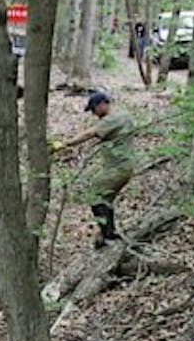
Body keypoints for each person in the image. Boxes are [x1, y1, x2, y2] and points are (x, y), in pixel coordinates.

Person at [57, 90, 138, 247]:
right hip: (122, 167)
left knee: (95, 195)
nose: (94, 113)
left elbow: (90, 134)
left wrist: (65, 144)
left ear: (103, 104)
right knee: (105, 198)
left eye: (94, 109)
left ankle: (108, 234)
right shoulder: (124, 116)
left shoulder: (112, 119)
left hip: (118, 168)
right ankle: (108, 234)